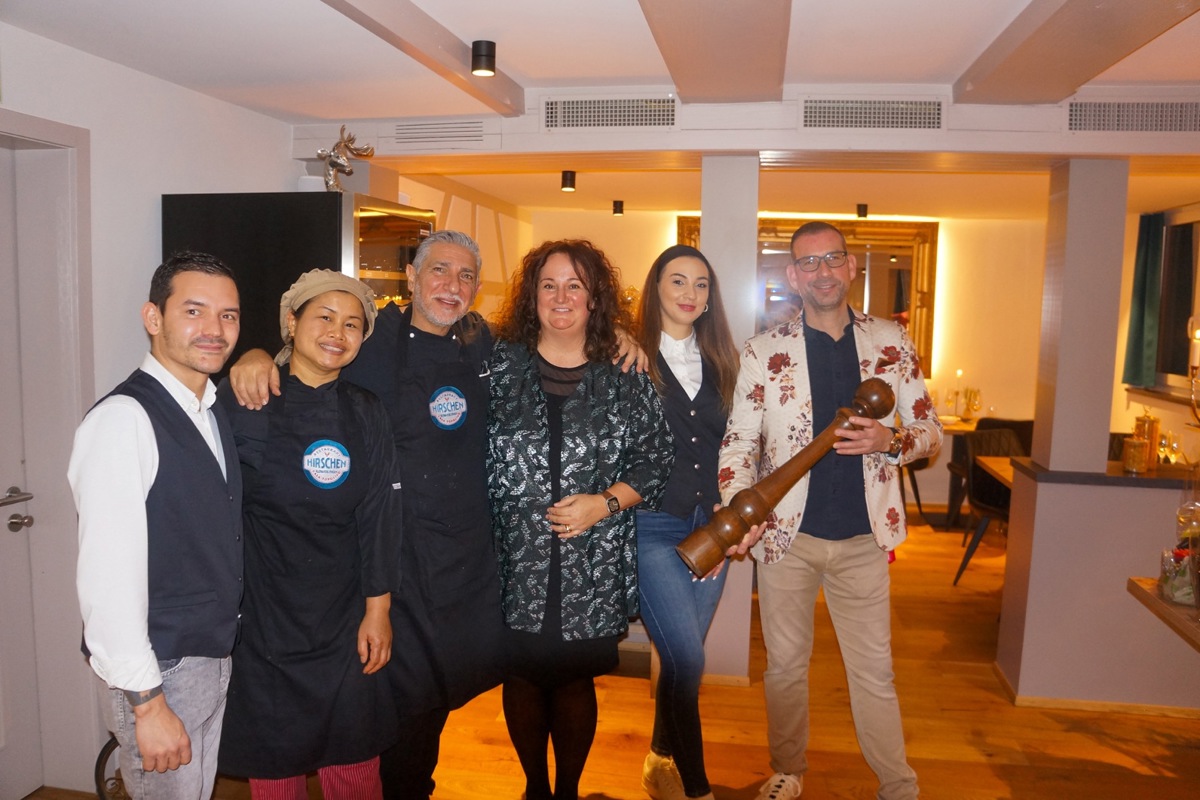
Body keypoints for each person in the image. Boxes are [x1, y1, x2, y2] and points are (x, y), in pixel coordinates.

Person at [228, 230, 507, 799]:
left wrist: (620, 337)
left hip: (434, 566)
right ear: (412, 277)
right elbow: (306, 356)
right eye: (439, 270)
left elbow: (556, 346)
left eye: (465, 276)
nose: (451, 286)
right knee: (368, 710)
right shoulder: (356, 352)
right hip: (345, 577)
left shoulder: (479, 346)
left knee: (424, 701)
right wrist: (253, 356)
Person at [718, 222, 941, 800]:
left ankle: (898, 786)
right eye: (809, 263)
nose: (822, 272)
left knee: (874, 673)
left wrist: (891, 440)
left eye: (833, 259)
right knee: (785, 669)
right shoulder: (763, 351)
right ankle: (788, 771)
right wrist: (741, 510)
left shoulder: (891, 341)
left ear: (851, 267)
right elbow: (739, 443)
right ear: (793, 276)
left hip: (864, 539)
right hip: (786, 539)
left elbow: (930, 431)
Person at [487, 239, 675, 800]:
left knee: (573, 676)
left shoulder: (623, 372)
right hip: (511, 558)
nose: (561, 297)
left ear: (596, 298)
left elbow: (656, 458)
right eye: (548, 285)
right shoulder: (497, 364)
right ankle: (535, 789)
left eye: (575, 286)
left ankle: (566, 792)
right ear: (532, 297)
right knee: (520, 672)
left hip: (591, 563)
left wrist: (605, 502)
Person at [216, 270, 402, 798]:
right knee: (276, 766)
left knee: (355, 762)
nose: (337, 333)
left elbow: (380, 513)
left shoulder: (366, 411)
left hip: (345, 619)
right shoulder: (245, 399)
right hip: (264, 621)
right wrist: (250, 357)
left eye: (352, 325)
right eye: (324, 317)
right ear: (291, 323)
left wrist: (379, 610)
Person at [70, 252, 243, 800]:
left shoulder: (208, 407)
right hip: (160, 672)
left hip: (207, 658)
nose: (214, 329)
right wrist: (147, 704)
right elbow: (107, 579)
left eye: (228, 315)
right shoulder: (123, 421)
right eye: (194, 311)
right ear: (153, 317)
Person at [633, 245, 741, 800]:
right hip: (651, 526)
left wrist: (732, 518)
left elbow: (738, 445)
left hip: (712, 529)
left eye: (701, 284)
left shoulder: (724, 360)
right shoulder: (629, 356)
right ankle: (697, 789)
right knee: (688, 658)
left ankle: (659, 758)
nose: (690, 293)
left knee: (682, 662)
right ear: (655, 288)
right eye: (677, 280)